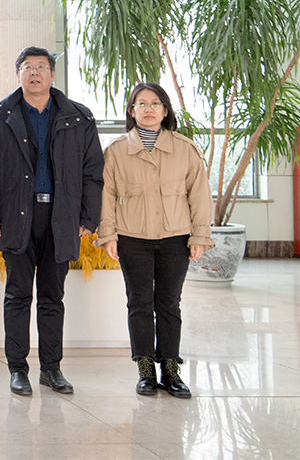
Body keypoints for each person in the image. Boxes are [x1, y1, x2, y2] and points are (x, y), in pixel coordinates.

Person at [0, 46, 103, 396]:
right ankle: (17, 369)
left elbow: (93, 173)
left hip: (61, 216)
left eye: (41, 67)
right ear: (17, 74)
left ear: (52, 74)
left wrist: (88, 218)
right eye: (27, 67)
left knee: (53, 297)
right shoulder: (0, 117)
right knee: (17, 296)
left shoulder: (78, 117)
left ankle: (51, 369)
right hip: (15, 216)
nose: (34, 73)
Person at [98, 82, 213, 399]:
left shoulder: (186, 149)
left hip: (176, 238)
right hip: (132, 238)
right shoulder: (116, 151)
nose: (148, 109)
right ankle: (145, 369)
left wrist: (200, 235)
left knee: (169, 303)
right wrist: (108, 234)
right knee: (139, 302)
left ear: (165, 111)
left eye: (155, 103)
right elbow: (106, 197)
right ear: (131, 111)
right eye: (141, 103)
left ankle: (171, 369)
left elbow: (200, 196)